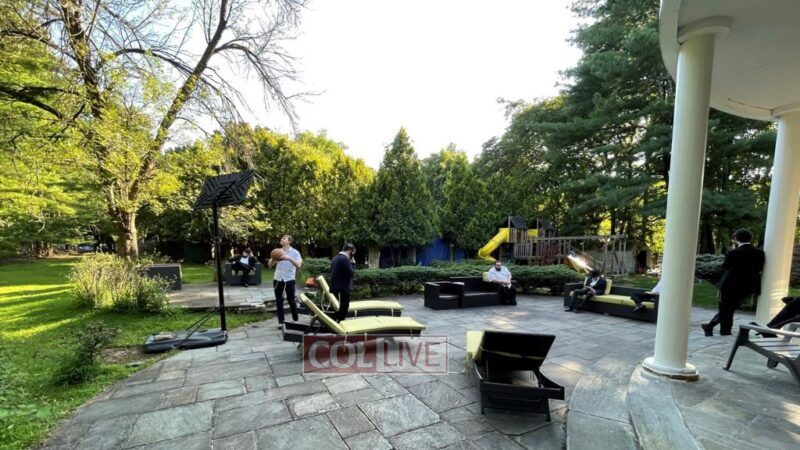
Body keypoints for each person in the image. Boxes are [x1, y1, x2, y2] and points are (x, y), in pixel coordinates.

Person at [701, 228, 765, 336]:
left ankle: (719, 329)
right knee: (729, 309)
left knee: (726, 309)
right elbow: (759, 268)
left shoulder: (733, 252)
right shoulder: (759, 253)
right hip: (748, 286)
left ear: (736, 238)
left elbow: (725, 267)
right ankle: (715, 328)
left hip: (730, 285)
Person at [268, 235, 302, 328]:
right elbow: (270, 265)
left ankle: (295, 319)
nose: (281, 239)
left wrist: (289, 258)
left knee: (291, 300)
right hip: (278, 278)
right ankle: (281, 322)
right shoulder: (277, 252)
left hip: (289, 279)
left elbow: (299, 265)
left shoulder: (295, 252)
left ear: (289, 241)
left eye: (284, 238)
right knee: (279, 301)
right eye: (281, 238)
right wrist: (274, 258)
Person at [330, 243, 356, 322]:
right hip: (342, 289)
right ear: (350, 251)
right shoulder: (344, 259)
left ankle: (337, 322)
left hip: (336, 287)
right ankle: (340, 323)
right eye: (353, 253)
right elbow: (352, 274)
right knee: (344, 307)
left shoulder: (336, 257)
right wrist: (353, 263)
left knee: (338, 308)